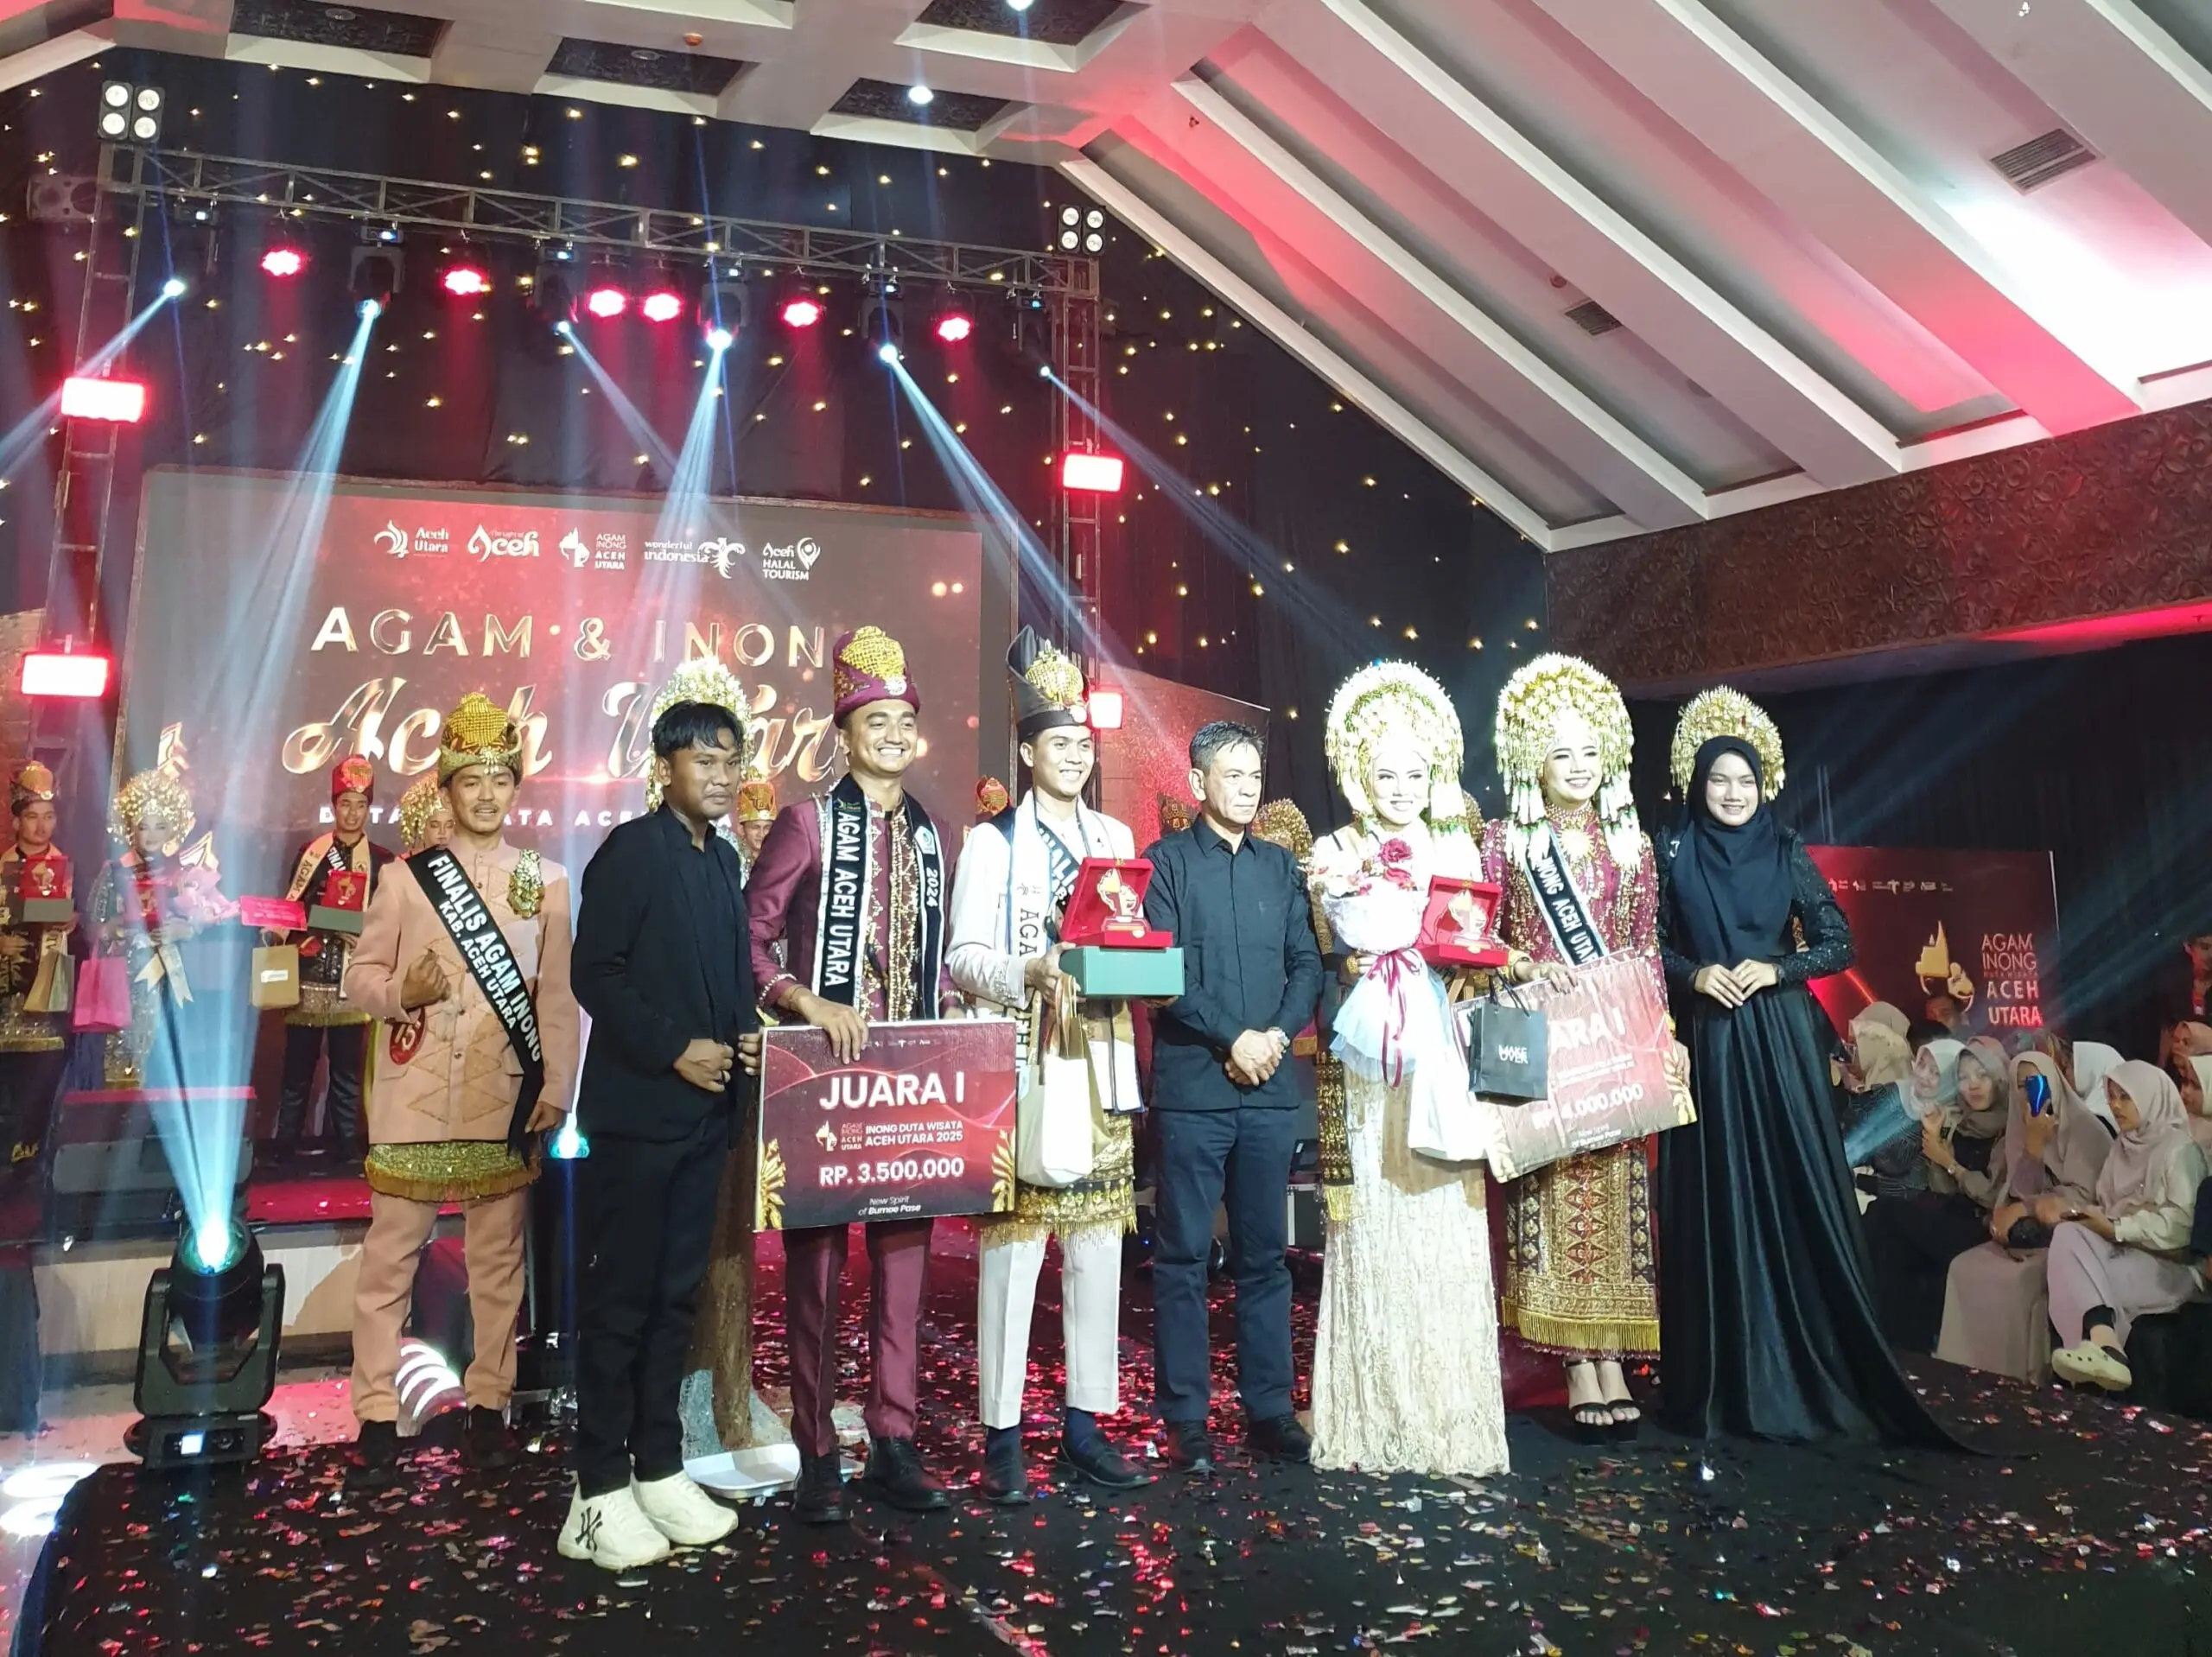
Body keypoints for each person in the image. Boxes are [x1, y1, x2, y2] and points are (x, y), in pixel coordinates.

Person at [1654, 689, 1951, 1444]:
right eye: (1719, 781)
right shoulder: (1673, 849)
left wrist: (1775, 969)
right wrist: (1695, 974)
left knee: (1791, 1188)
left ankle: (1805, 1359)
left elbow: (1837, 941)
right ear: (1697, 784)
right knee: (1720, 1190)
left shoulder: (1785, 848)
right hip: (1711, 1040)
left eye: (1744, 782)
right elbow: (1649, 945)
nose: (1732, 793)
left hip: (1781, 1037)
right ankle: (1725, 1374)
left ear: (1762, 786)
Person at [745, 625, 959, 1523]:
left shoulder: (932, 834)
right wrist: (804, 1000)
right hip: (825, 1079)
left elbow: (936, 961)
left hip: (907, 1081)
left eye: (905, 720)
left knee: (904, 1271)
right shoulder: (807, 822)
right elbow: (750, 939)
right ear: (844, 730)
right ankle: (818, 1453)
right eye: (876, 721)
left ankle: (893, 1440)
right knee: (817, 1275)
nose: (894, 734)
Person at [341, 694, 579, 1486]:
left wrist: (558, 1085)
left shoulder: (546, 881)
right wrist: (401, 991)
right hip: (412, 1097)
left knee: (498, 1266)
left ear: (516, 788)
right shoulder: (406, 880)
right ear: (446, 789)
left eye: (499, 780)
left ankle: (488, 1405)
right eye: (470, 780)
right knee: (389, 1265)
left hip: (501, 1098)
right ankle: (376, 1415)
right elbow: (358, 978)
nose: (486, 794)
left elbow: (557, 998)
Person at [947, 630, 1147, 1504]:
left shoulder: (1116, 835)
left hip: (1099, 1060)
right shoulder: (993, 843)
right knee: (1015, 1252)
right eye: (1057, 743)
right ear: (1027, 752)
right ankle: (1001, 1431)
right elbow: (963, 957)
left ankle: (1084, 1424)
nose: (1073, 755)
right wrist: (1024, 971)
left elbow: (1131, 944)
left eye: (1082, 743)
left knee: (1098, 1246)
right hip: (1026, 1061)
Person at [561, 698, 759, 1569]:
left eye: (729, 762)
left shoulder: (722, 859)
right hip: (639, 1119)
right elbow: (594, 974)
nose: (719, 777)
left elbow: (726, 975)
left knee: (675, 1301)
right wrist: (677, 1048)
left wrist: (744, 1035)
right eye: (702, 762)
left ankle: (658, 1467)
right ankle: (596, 1489)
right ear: (665, 768)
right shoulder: (631, 851)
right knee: (621, 1303)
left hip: (704, 1119)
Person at [1305, 662, 1507, 1476]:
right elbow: (1325, 953)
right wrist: (1362, 950)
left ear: (1434, 777)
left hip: (1441, 1053)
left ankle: (1450, 1411)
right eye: (1385, 774)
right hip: (1369, 1060)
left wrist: (1467, 962)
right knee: (1375, 1218)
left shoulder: (1457, 846)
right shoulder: (1334, 850)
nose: (1400, 788)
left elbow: (1476, 944)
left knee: (1443, 1217)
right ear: (1359, 773)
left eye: (1414, 774)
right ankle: (1373, 1410)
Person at [1480, 655, 1660, 1435]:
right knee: (1551, 1196)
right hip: (1543, 1042)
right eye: (1561, 753)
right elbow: (1479, 936)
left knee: (1617, 1194)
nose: (1579, 767)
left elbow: (1645, 948)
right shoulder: (1505, 843)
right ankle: (1572, 1361)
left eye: (1590, 751)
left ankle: (1611, 1353)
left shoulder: (1631, 846)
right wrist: (1520, 963)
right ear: (1533, 761)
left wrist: (1660, 1037)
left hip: (1613, 1049)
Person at [1141, 720, 1322, 1472]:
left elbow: (1306, 965)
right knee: (1184, 1255)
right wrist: (1233, 1038)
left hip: (1270, 1089)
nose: (1247, 788)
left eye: (1255, 775)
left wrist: (1274, 1036)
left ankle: (1269, 1408)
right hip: (1193, 1090)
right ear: (1198, 783)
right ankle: (1186, 1417)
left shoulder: (1281, 867)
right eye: (1232, 775)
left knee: (1265, 1257)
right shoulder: (1164, 864)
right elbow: (1161, 974)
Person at [1936, 1048, 2113, 1381]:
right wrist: (2033, 1149)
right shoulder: (2019, 1129)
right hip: (2028, 1233)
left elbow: (2090, 1199)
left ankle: (2017, 1378)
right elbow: (2017, 1191)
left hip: (2075, 1238)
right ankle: (1965, 1372)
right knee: (1964, 1266)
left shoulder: (2087, 1131)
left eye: (2036, 1083)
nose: (2029, 1093)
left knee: (2015, 1282)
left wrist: (2029, 1206)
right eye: (2021, 1086)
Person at [2047, 1061, 2208, 1392]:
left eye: (2125, 1097)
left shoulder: (2180, 1151)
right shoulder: (2121, 1148)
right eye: (2111, 1096)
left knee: (2084, 1281)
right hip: (2124, 1249)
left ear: (2150, 1097)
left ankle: (2100, 1356)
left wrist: (2119, 1228)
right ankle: (2106, 1345)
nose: (2116, 1106)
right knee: (2067, 1233)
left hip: (2171, 1265)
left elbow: (2182, 1228)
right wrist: (2090, 1218)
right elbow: (2107, 1205)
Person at [88, 727, 233, 1089]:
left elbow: (215, 919)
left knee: (166, 1067)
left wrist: (189, 928)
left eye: (160, 826)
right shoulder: (115, 871)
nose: (151, 834)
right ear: (131, 828)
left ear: (174, 829)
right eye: (144, 826)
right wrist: (116, 927)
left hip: (172, 981)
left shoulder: (183, 876)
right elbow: (92, 928)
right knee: (118, 1066)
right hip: (123, 982)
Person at [267, 756, 394, 1160]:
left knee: (346, 1070)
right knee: (297, 1068)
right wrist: (315, 920)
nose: (352, 813)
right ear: (333, 805)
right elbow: (293, 908)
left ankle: (347, 1147)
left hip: (353, 974)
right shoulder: (311, 853)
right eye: (345, 804)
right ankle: (285, 1145)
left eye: (361, 805)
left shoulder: (383, 860)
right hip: (309, 971)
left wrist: (359, 929)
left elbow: (388, 918)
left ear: (369, 808)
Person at [1862, 1037, 2012, 1350]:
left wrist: (1950, 1163)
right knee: (1891, 1251)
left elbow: (1991, 1194)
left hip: (1983, 1226)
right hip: (1950, 1215)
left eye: (1982, 1075)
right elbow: (1941, 1185)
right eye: (1964, 1077)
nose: (1973, 1085)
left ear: (1998, 1079)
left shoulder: (2009, 1128)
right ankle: (1900, 1352)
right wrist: (1936, 1138)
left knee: (1883, 1212)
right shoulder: (1961, 1122)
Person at [0, 763, 73, 1173]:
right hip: (7, 992)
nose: (42, 826)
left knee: (44, 1079)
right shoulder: (2, 867)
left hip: (49, 987)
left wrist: (75, 923)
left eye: (49, 816)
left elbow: (94, 923)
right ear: (16, 821)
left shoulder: (69, 870)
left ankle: (33, 1159)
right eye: (32, 816)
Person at [395, 773, 457, 856]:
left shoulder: (469, 861)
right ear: (421, 828)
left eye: (449, 826)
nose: (442, 833)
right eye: (435, 826)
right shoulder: (404, 863)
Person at [733, 777, 777, 872]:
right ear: (741, 829)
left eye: (767, 828)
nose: (762, 834)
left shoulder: (782, 862)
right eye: (755, 827)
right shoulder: (731, 862)